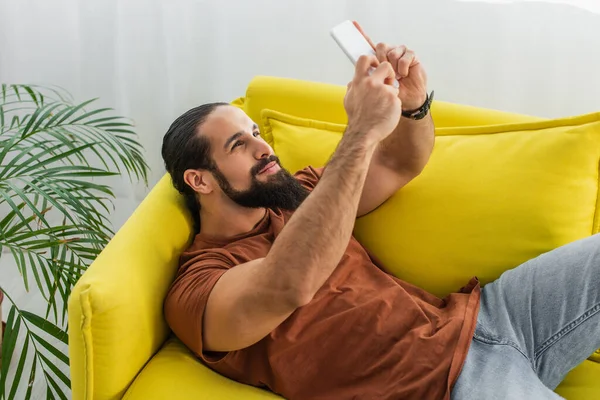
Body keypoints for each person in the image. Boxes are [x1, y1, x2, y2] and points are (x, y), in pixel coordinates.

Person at [161, 40, 600, 400]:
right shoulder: (198, 285)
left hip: (487, 320)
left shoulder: (301, 194)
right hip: (441, 387)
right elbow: (289, 282)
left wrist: (412, 107)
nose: (264, 149)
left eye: (257, 133)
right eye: (239, 145)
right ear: (199, 180)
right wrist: (360, 130)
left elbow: (400, 162)